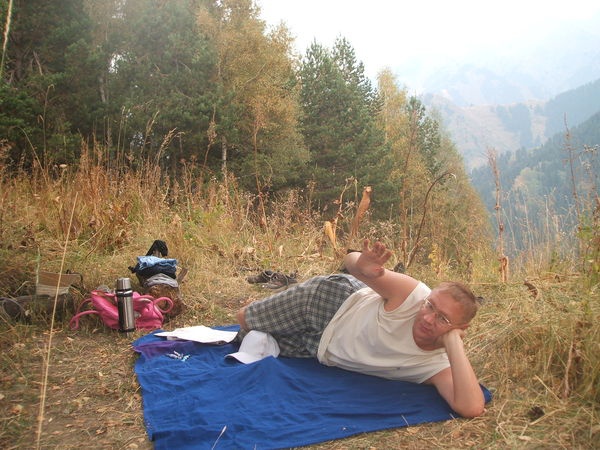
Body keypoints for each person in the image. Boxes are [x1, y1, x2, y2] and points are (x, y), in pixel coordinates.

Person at [236, 239, 485, 418]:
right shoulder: (413, 294)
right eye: (430, 306)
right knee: (244, 320)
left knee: (250, 339)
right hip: (329, 303)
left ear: (461, 328)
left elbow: (471, 407)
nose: (428, 319)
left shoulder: (437, 365)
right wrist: (361, 266)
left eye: (443, 319)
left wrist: (453, 343)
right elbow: (351, 260)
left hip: (321, 350)